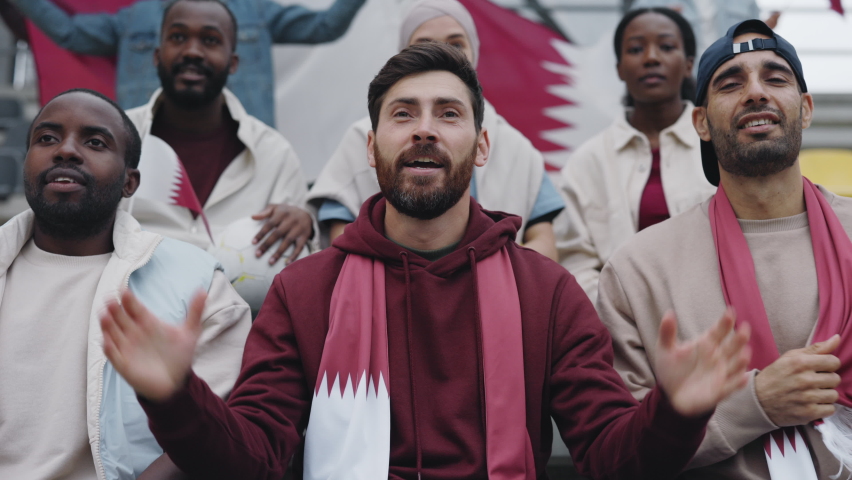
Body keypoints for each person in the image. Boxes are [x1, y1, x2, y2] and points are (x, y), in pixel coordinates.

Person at [100, 42, 752, 480]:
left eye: (448, 114)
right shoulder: (304, 292)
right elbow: (256, 458)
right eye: (402, 114)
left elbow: (610, 456)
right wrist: (176, 399)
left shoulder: (546, 291)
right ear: (372, 145)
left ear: (483, 145)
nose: (424, 129)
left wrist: (674, 413)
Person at [597, 19, 852, 478]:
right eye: (730, 84)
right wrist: (753, 405)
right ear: (701, 122)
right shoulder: (638, 272)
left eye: (776, 78)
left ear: (807, 109)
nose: (756, 92)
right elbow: (620, 458)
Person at [0, 88, 250, 478]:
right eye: (47, 138)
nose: (65, 150)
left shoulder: (195, 281)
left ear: (129, 182)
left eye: (95, 142)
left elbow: (231, 429)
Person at [308, 0, 564, 260]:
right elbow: (341, 240)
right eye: (424, 44)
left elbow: (543, 240)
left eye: (456, 44)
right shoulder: (360, 137)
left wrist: (488, 279)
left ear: (482, 145)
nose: (441, 53)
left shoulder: (516, 148)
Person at [123, 0, 315, 310]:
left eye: (210, 40)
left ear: (233, 62)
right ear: (157, 55)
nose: (192, 51)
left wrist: (305, 226)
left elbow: (301, 274)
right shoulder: (116, 139)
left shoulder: (274, 153)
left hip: (241, 344)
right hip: (129, 336)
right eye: (178, 37)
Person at [557, 7, 715, 302]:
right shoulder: (587, 162)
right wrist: (626, 317)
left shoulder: (721, 149)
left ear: (688, 64)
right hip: (619, 335)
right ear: (619, 67)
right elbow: (574, 263)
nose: (651, 58)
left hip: (716, 325)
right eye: (635, 49)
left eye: (667, 46)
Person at [7, 0, 366, 127]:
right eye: (177, 37)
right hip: (150, 162)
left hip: (240, 160)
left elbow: (325, 25)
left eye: (211, 40)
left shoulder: (254, 10)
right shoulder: (135, 17)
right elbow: (71, 35)